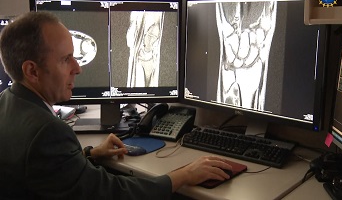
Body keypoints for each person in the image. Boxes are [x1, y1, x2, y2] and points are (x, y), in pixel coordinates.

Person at [0, 11, 233, 199]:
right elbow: (111, 193)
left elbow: (44, 170)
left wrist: (88, 154)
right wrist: (183, 175)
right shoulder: (47, 131)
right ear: (32, 70)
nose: (77, 68)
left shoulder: (7, 101)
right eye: (65, 59)